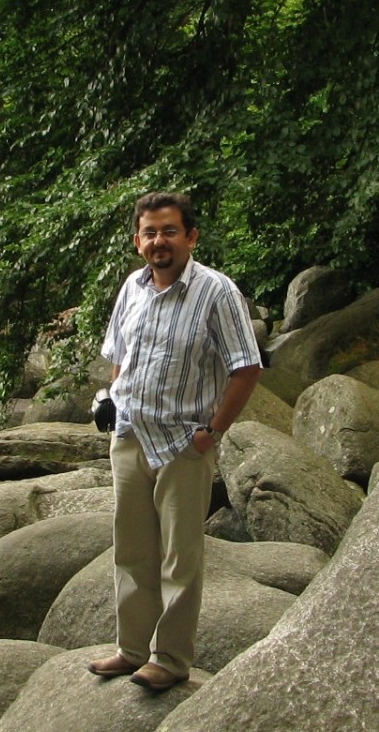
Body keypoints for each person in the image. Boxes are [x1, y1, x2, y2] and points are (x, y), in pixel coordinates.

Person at [87, 191, 262, 692]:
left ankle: (171, 658)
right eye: (149, 232)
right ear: (137, 239)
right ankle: (131, 649)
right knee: (131, 551)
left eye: (168, 231)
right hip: (130, 436)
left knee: (179, 558)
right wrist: (116, 401)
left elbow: (246, 367)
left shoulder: (217, 292)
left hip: (184, 443)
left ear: (190, 237)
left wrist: (212, 433)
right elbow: (119, 355)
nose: (158, 241)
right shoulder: (132, 288)